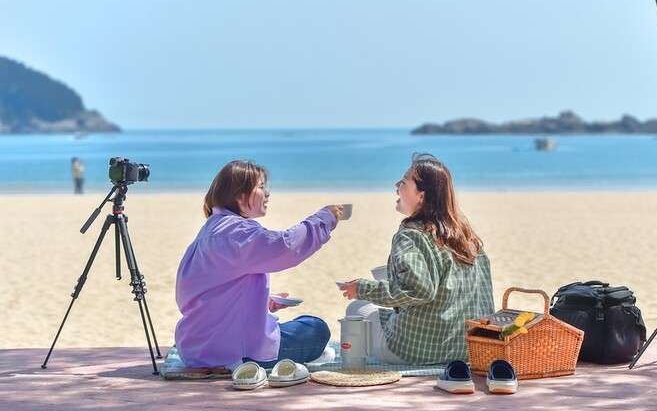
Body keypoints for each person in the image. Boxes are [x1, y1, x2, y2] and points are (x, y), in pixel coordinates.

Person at [175, 159, 344, 370]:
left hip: (196, 347)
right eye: (261, 188)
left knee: (296, 326)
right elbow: (286, 246)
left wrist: (264, 301)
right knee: (316, 328)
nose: (267, 194)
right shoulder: (236, 233)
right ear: (239, 196)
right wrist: (324, 218)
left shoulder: (211, 230)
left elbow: (210, 294)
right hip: (231, 352)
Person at [339, 152, 494, 365]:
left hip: (417, 351)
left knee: (356, 309)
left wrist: (362, 289)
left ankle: (354, 362)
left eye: (403, 181)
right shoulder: (469, 238)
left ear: (421, 195)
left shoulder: (411, 234)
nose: (396, 185)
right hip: (468, 350)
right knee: (382, 310)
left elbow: (420, 290)